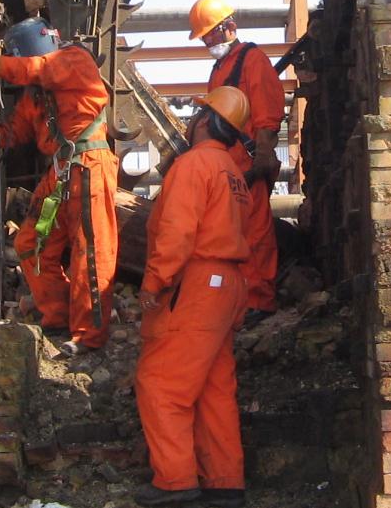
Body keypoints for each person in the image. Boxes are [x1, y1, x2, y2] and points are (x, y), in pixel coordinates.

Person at [0, 18, 119, 355]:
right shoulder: (35, 94)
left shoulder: (74, 60)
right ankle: (58, 315)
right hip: (62, 173)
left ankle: (89, 336)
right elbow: (15, 130)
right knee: (31, 242)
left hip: (89, 165)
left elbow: (37, 68)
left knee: (91, 251)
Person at [134, 86, 253, 507]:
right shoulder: (233, 174)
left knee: (160, 383)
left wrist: (154, 283)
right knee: (213, 388)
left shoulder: (193, 165)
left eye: (196, 115)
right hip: (228, 285)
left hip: (198, 284)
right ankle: (225, 483)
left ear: (205, 121)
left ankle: (176, 481)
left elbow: (177, 232)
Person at [189, 0, 283, 319]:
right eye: (204, 37)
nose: (207, 42)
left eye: (210, 34)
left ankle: (259, 300)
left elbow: (268, 113)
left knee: (256, 233)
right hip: (227, 166)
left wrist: (263, 155)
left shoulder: (252, 60)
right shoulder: (220, 68)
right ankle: (239, 298)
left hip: (248, 163)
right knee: (231, 234)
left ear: (229, 27)